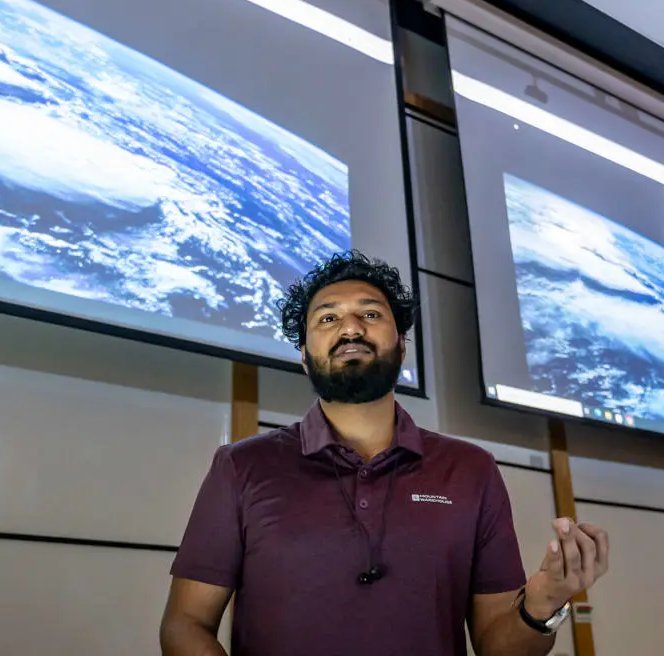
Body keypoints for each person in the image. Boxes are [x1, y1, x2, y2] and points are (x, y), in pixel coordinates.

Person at [159, 251, 611, 656]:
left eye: (371, 314)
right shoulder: (242, 466)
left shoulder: (471, 469)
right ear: (303, 356)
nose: (351, 327)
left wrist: (544, 603)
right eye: (328, 318)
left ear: (400, 345)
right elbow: (185, 624)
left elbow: (499, 646)